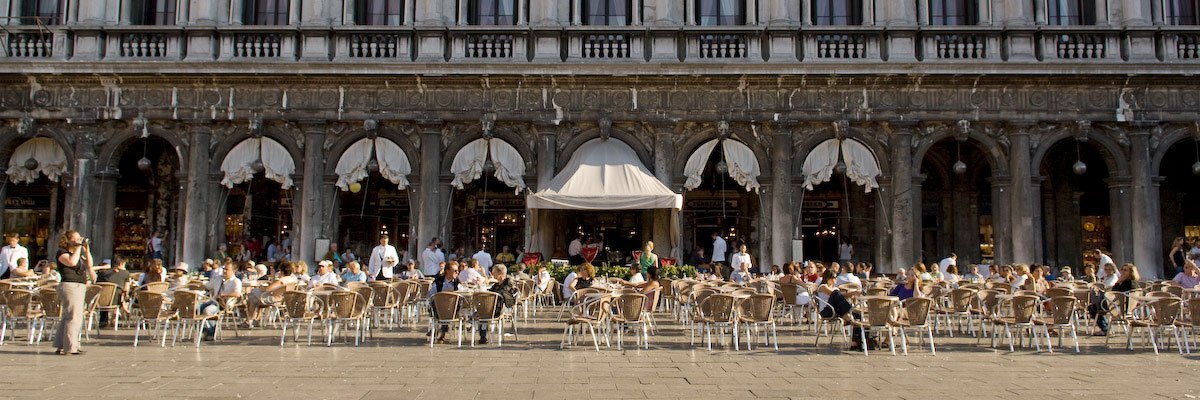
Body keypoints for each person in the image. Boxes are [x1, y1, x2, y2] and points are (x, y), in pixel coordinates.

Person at [54, 230, 92, 355]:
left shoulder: (76, 253)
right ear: (68, 240)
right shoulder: (62, 253)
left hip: (79, 285)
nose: (78, 240)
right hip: (70, 285)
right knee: (74, 317)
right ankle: (71, 347)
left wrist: (86, 250)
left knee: (68, 316)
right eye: (76, 238)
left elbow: (89, 264)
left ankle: (61, 345)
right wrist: (79, 247)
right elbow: (72, 262)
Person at [815, 269, 867, 351]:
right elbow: (834, 294)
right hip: (827, 311)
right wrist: (852, 293)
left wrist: (852, 295)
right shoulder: (823, 287)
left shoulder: (835, 288)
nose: (835, 279)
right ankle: (849, 314)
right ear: (828, 278)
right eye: (834, 277)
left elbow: (841, 297)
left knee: (858, 316)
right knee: (836, 293)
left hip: (837, 310)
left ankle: (856, 342)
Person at [245, 261, 302, 326]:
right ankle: (254, 319)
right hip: (282, 299)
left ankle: (250, 320)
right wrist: (273, 276)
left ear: (282, 271)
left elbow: (268, 289)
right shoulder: (292, 279)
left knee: (252, 296)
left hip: (274, 299)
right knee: (254, 299)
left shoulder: (282, 280)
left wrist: (262, 288)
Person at [1090, 263, 1141, 336]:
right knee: (1097, 305)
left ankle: (1105, 329)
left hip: (1119, 307)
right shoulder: (1134, 283)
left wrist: (1118, 282)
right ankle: (1105, 327)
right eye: (1122, 270)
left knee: (1092, 307)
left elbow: (1114, 292)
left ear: (1131, 272)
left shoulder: (1126, 282)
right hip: (1129, 309)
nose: (1123, 272)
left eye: (1125, 270)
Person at [200, 262, 242, 340]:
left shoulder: (236, 281)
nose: (224, 271)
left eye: (227, 269)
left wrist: (224, 295)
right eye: (224, 269)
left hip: (224, 304)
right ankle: (203, 330)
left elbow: (237, 294)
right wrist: (196, 284)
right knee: (197, 308)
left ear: (233, 271)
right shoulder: (218, 279)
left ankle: (211, 332)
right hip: (214, 301)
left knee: (208, 310)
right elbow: (207, 286)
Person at [478, 264, 517, 344]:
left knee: (483, 313)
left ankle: (482, 335)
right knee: (482, 312)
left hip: (503, 309)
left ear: (500, 274)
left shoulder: (508, 284)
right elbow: (490, 292)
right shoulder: (497, 284)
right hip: (493, 308)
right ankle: (483, 336)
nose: (492, 275)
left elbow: (507, 298)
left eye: (494, 273)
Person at [97, 255, 132, 327]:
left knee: (105, 294)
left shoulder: (102, 273)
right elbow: (126, 288)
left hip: (102, 300)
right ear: (121, 263)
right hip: (117, 300)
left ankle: (103, 321)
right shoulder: (126, 273)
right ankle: (116, 314)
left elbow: (97, 286)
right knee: (121, 294)